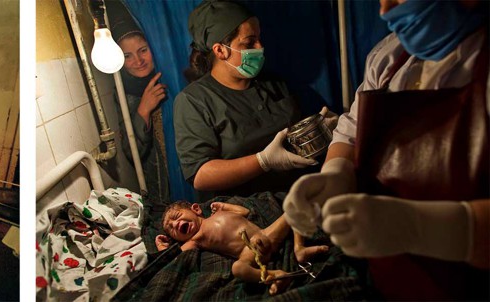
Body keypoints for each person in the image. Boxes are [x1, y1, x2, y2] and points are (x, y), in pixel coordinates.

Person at [283, 0, 488, 300]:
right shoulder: (388, 56)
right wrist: (336, 174)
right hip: (384, 279)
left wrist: (420, 228)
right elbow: (350, 131)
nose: (385, 10)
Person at [174, 0, 337, 203]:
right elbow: (200, 175)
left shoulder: (274, 84)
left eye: (259, 38)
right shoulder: (194, 101)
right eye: (249, 42)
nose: (260, 47)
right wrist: (264, 161)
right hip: (243, 213)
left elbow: (297, 136)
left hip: (299, 199)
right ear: (220, 50)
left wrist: (322, 132)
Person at [155, 200, 329, 294]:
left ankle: (299, 249)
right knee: (238, 268)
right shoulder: (195, 240)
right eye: (171, 228)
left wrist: (225, 206)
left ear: (196, 209)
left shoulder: (219, 212)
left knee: (294, 207)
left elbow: (244, 212)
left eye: (177, 216)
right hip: (249, 252)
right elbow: (178, 257)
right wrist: (164, 249)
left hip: (265, 234)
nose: (176, 224)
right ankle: (274, 275)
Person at [107, 0, 171, 204]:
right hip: (162, 194)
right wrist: (144, 108)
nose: (138, 61)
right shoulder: (124, 93)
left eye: (143, 50)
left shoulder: (173, 77)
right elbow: (132, 151)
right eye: (127, 56)